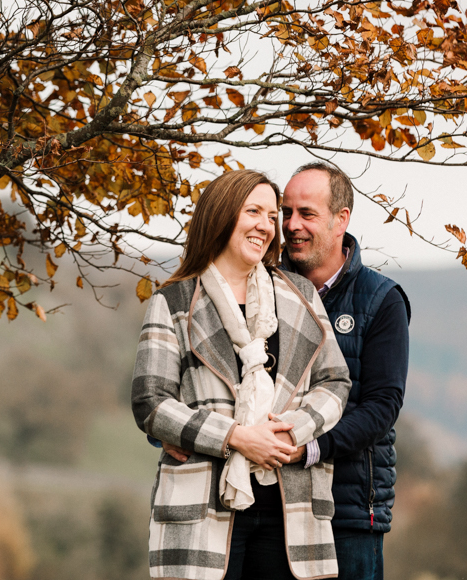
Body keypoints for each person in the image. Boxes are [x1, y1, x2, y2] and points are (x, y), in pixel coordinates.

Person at [131, 169, 351, 580]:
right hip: (202, 511)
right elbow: (151, 401)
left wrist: (289, 431)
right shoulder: (174, 301)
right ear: (222, 215)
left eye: (272, 216)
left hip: (292, 508)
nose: (267, 226)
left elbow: (335, 382)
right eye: (254, 212)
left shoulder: (298, 295)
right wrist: (234, 437)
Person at [278, 162, 411, 580]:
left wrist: (309, 448)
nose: (291, 225)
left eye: (307, 213)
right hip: (271, 506)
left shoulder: (381, 300)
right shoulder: (261, 286)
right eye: (286, 212)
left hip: (347, 513)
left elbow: (382, 406)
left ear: (341, 220)